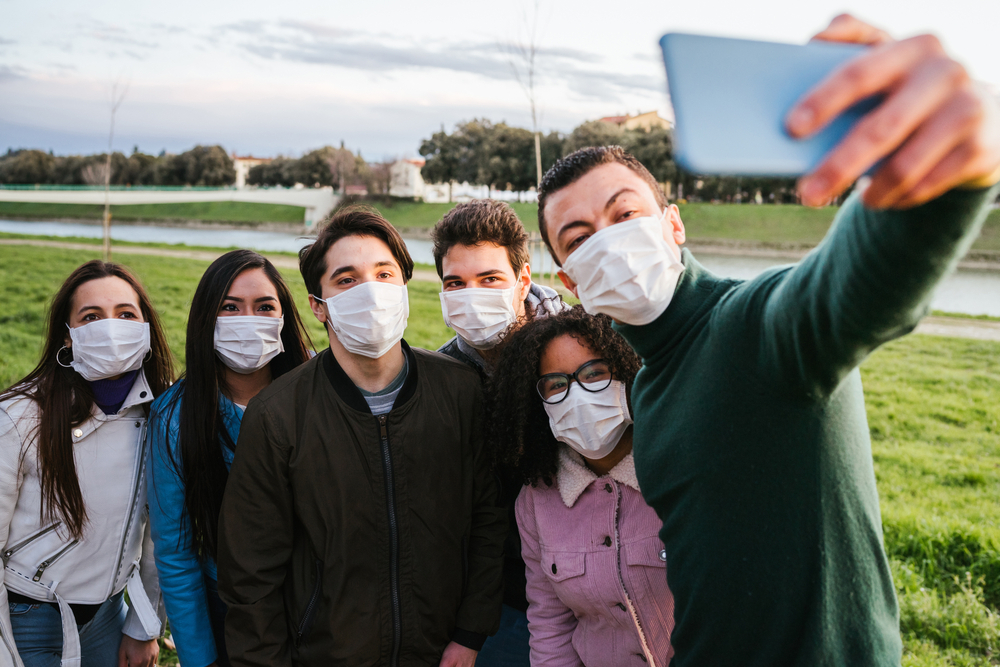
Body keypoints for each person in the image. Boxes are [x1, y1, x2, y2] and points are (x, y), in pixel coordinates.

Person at [534, 15, 1000, 667]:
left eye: (625, 214)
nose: (608, 241)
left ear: (674, 225)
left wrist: (945, 172)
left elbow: (846, 288)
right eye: (580, 237)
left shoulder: (753, 324)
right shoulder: (648, 383)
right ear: (568, 280)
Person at [216, 206, 506, 667]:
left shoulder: (461, 391)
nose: (371, 291)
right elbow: (250, 572)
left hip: (443, 652)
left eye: (384, 274)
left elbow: (489, 522)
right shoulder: (277, 414)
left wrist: (470, 634)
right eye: (347, 279)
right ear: (318, 305)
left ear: (405, 290)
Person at [146, 250, 313, 667]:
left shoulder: (317, 395)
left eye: (263, 307)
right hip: (230, 608)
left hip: (321, 600)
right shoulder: (174, 417)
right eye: (230, 307)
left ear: (283, 318)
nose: (247, 320)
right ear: (207, 319)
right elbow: (176, 551)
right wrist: (202, 659)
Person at [0, 260, 171, 667]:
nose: (110, 328)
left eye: (126, 314)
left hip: (109, 619)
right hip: (27, 618)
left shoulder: (163, 415)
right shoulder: (19, 416)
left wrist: (144, 626)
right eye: (91, 317)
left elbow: (162, 538)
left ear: (145, 329)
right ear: (69, 337)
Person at [486, 307, 674, 667]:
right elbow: (550, 624)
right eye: (557, 384)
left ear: (627, 373)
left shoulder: (680, 472)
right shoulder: (536, 502)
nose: (579, 394)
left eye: (594, 373)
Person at [432, 199, 568, 667]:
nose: (472, 295)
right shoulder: (442, 377)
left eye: (489, 279)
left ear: (523, 280)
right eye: (456, 283)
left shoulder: (581, 351)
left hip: (597, 587)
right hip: (504, 602)